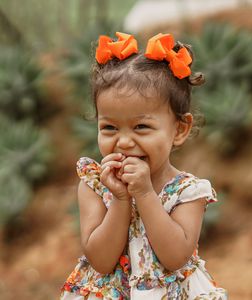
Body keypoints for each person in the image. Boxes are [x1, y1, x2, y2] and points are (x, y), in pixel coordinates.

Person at [60, 32, 227, 299]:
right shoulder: (94, 185)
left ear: (180, 129)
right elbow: (101, 261)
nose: (124, 142)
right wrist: (121, 198)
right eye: (110, 127)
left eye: (141, 127)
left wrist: (145, 194)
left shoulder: (187, 192)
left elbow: (175, 257)